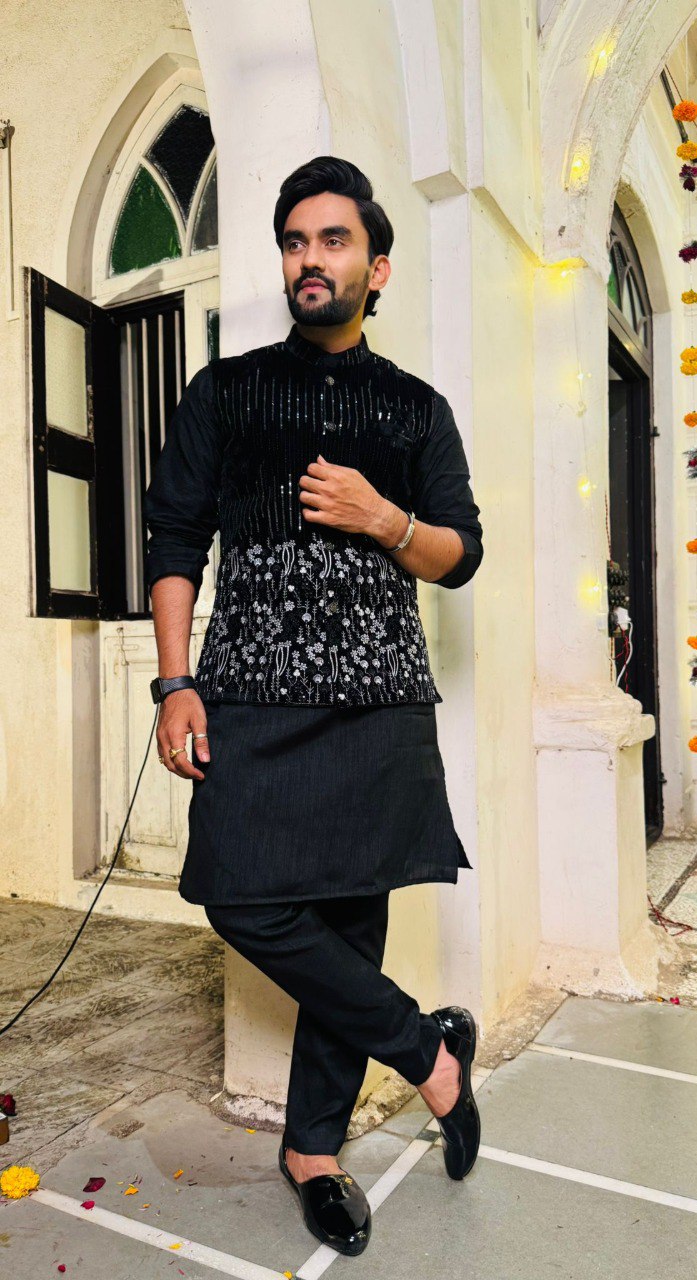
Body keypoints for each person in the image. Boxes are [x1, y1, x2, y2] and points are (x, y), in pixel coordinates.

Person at [143, 156, 484, 1257]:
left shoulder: (417, 409)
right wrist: (176, 681)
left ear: (375, 267)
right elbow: (173, 538)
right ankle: (427, 1049)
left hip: (378, 703)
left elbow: (461, 553)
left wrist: (386, 519)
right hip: (248, 694)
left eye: (333, 240)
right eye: (295, 241)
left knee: (348, 923)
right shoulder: (227, 393)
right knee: (238, 893)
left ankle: (313, 1150)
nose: (310, 259)